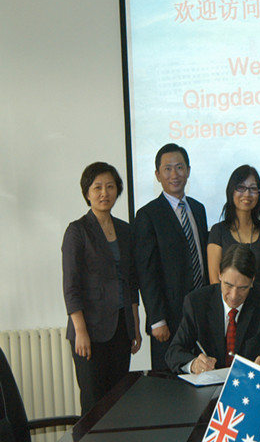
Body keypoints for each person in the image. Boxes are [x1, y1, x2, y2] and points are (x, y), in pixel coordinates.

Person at [62, 162, 142, 414]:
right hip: (90, 331)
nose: (104, 193)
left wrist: (135, 325)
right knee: (94, 403)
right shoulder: (77, 231)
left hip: (121, 328)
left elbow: (131, 281)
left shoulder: (125, 230)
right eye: (97, 187)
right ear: (87, 193)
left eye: (110, 186)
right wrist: (80, 331)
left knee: (119, 402)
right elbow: (71, 285)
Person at [134, 143, 208, 370]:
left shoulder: (198, 209)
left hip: (201, 313)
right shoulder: (148, 215)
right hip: (168, 318)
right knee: (169, 381)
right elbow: (146, 272)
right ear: (158, 175)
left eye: (180, 167)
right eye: (167, 169)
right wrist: (157, 320)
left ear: (188, 170)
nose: (174, 174)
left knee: (203, 375)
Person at [166, 244, 260, 374]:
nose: (234, 296)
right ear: (220, 275)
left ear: (252, 281)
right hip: (210, 383)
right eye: (228, 285)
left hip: (248, 381)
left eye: (242, 288)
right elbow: (174, 352)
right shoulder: (197, 302)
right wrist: (193, 364)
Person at [208, 165, 260, 291]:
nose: (247, 194)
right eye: (241, 188)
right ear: (231, 191)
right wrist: (231, 301)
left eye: (253, 188)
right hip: (229, 301)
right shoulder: (218, 231)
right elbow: (214, 279)